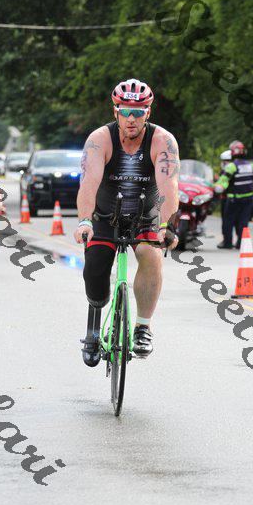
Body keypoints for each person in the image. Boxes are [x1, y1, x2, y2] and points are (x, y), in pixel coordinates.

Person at [74, 78, 179, 366]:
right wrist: (84, 221)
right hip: (105, 215)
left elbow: (169, 187)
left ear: (148, 113)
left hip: (145, 215)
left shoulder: (162, 141)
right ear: (115, 112)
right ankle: (93, 328)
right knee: (95, 269)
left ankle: (143, 327)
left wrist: (167, 226)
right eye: (125, 112)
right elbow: (88, 183)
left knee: (151, 255)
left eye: (138, 112)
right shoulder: (100, 139)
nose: (131, 119)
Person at [214, 140, 253, 249]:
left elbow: (222, 182)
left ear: (232, 153)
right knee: (243, 221)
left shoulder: (231, 166)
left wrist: (216, 188)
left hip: (233, 199)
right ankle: (241, 244)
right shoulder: (252, 166)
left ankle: (227, 243)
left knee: (228, 221)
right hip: (248, 199)